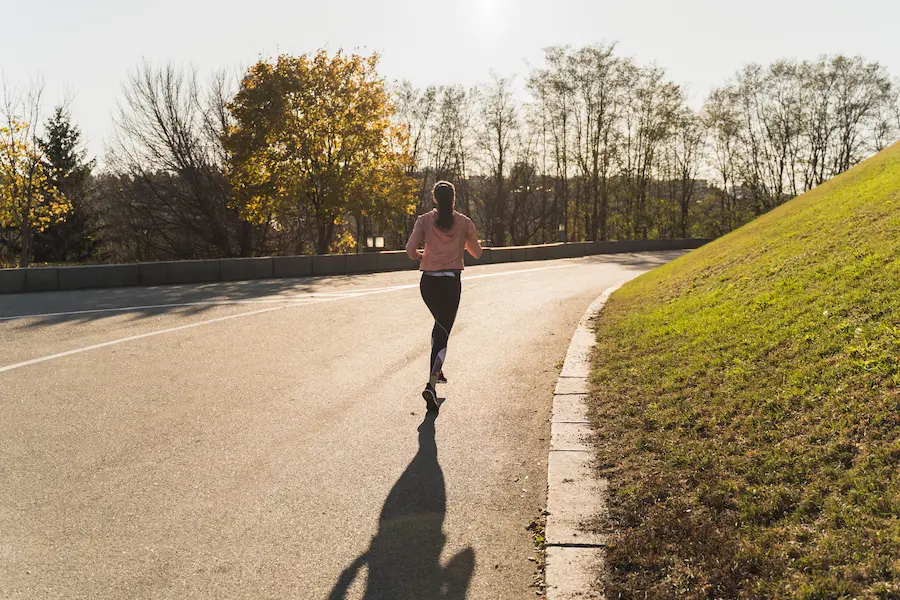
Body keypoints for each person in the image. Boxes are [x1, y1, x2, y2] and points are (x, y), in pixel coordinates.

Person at [406, 181, 483, 412]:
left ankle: (436, 370)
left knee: (439, 327)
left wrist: (422, 255)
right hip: (450, 283)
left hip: (428, 283)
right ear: (454, 199)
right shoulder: (464, 222)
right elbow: (477, 253)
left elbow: (410, 251)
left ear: (435, 200)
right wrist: (462, 245)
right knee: (443, 331)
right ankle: (431, 385)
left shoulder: (424, 220)